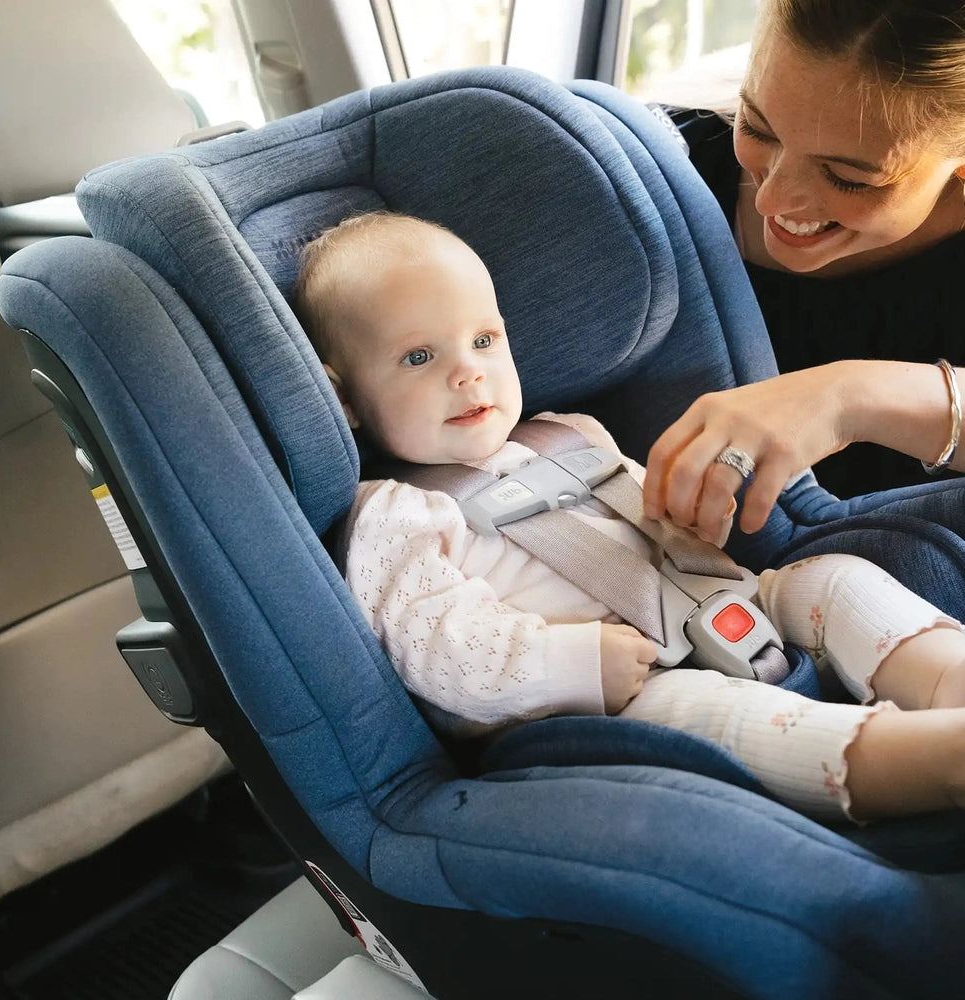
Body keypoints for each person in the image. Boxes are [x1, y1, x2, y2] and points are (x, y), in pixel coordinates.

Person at [290, 209, 965, 825]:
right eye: (419, 357)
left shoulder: (571, 434)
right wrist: (572, 662)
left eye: (484, 339)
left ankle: (945, 679)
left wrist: (693, 523)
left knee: (834, 580)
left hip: (714, 605)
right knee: (720, 717)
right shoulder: (396, 514)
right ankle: (934, 761)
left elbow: (653, 524)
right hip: (612, 698)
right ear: (344, 398)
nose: (468, 373)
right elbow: (436, 648)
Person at [661, 0, 965, 499]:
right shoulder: (657, 168)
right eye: (756, 127)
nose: (770, 198)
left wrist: (848, 398)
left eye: (846, 179)